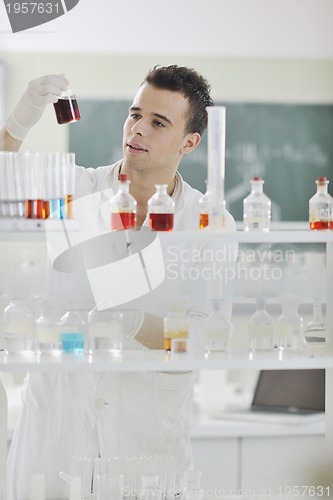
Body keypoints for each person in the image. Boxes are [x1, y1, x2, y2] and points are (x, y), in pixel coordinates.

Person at [1, 66, 236, 499]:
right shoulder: (76, 190)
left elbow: (206, 336)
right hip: (56, 434)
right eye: (134, 114)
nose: (137, 129)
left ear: (190, 142)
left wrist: (136, 324)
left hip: (145, 443)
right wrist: (20, 121)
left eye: (158, 122)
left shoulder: (210, 221)